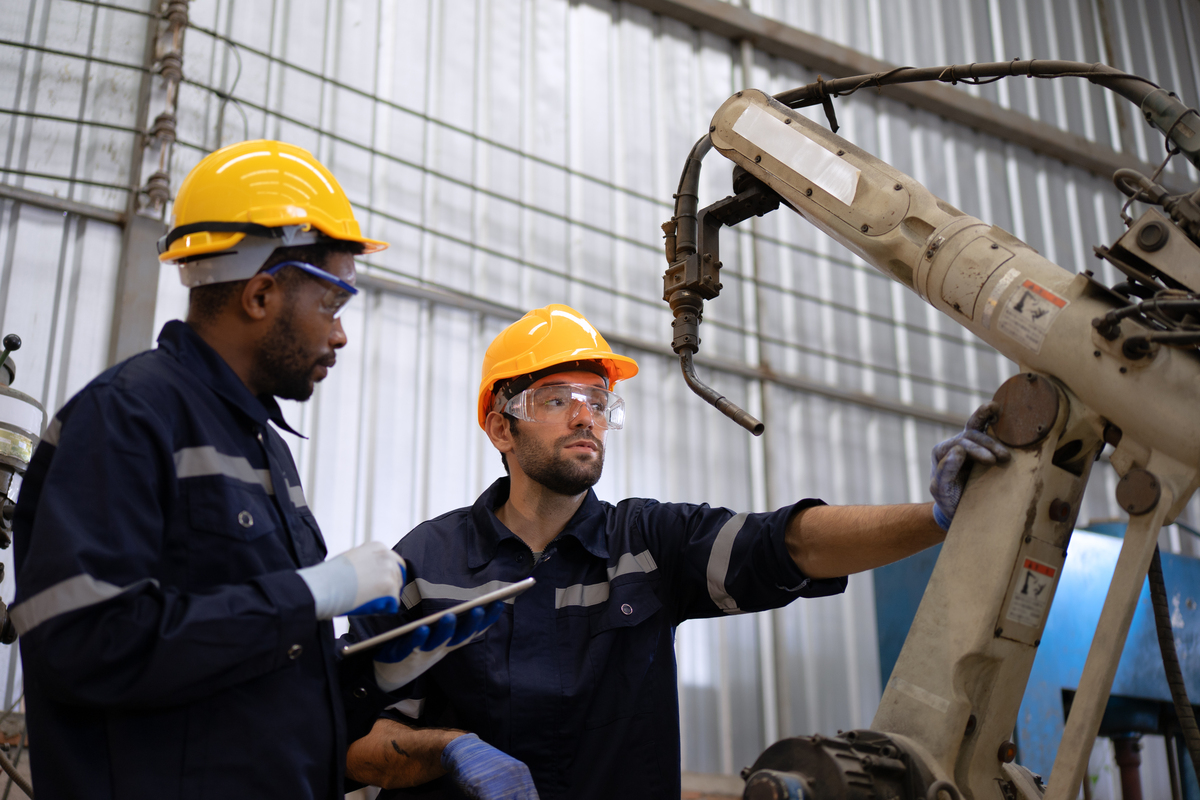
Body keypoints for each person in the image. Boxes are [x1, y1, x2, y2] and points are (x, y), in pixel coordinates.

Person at [343, 303, 1010, 799]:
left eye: (599, 400)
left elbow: (790, 543)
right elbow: (357, 745)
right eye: (559, 399)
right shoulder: (426, 564)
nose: (587, 418)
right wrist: (453, 751)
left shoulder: (647, 546)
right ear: (500, 424)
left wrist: (936, 518)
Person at [10, 140, 496, 800]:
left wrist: (368, 672)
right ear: (263, 294)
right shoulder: (127, 419)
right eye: (332, 305)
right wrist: (312, 593)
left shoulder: (261, 447)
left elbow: (247, 680)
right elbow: (86, 643)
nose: (341, 335)